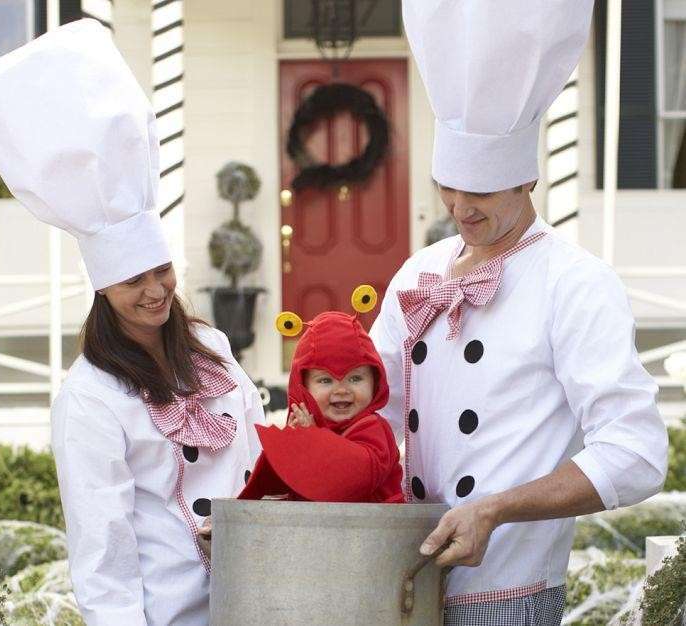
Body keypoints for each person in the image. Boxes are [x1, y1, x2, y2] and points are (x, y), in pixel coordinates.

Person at [369, 2, 669, 624]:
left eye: (480, 190)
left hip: (510, 599)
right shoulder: (417, 273)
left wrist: (495, 509)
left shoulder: (576, 283)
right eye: (448, 186)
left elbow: (636, 454)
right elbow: (371, 414)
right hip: (397, 585)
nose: (459, 207)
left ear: (527, 180)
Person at [0, 20, 263, 626]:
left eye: (161, 271)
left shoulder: (212, 346)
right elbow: (102, 542)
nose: (156, 291)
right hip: (169, 612)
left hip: (256, 598)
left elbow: (260, 454)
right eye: (135, 281)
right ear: (103, 287)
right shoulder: (89, 397)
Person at [238, 289, 404, 503]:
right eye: (326, 380)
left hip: (375, 530)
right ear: (303, 387)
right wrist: (292, 444)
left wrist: (311, 439)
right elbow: (290, 482)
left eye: (355, 378)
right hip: (318, 530)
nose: (342, 390)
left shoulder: (372, 428)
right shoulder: (306, 425)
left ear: (375, 380)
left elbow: (357, 476)